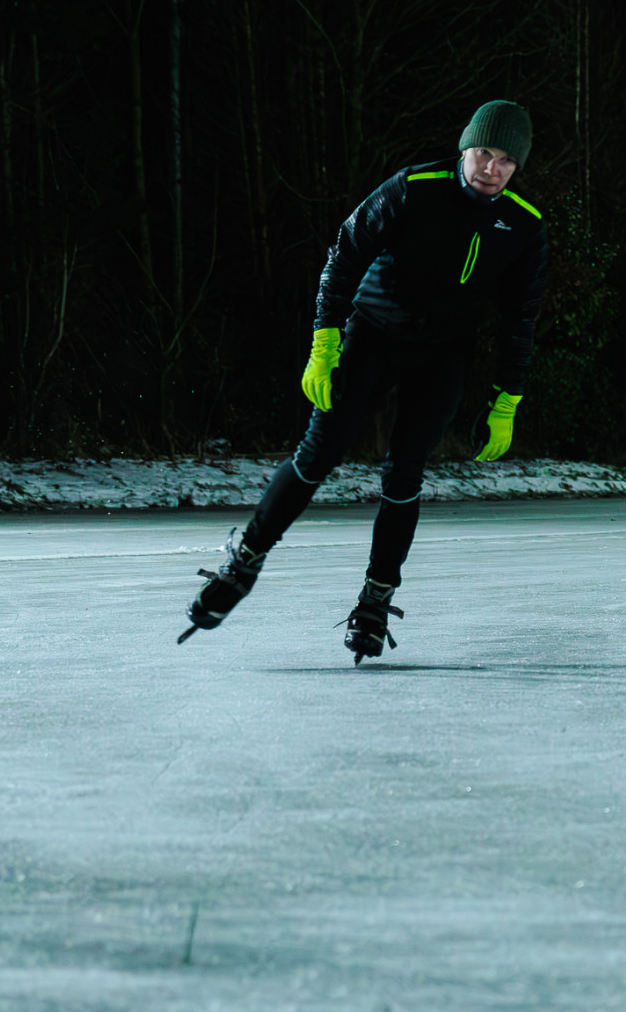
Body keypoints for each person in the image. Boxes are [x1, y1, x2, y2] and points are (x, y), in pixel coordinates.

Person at [179, 100, 549, 662]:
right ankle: (246, 558)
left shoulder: (524, 223)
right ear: (464, 148)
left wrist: (508, 399)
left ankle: (375, 600)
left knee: (405, 473)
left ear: (517, 167)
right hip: (373, 334)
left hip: (443, 354)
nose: (491, 168)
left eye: (506, 161)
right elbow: (345, 255)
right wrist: (324, 342)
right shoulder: (413, 187)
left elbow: (522, 316)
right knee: (321, 451)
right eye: (483, 153)